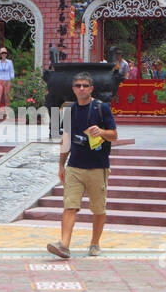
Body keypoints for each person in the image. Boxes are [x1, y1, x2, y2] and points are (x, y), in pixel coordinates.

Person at [47, 72, 117, 259]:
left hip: (97, 166)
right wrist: (61, 165)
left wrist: (101, 131)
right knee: (70, 206)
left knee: (98, 209)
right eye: (78, 86)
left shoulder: (102, 108)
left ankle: (95, 243)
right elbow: (66, 139)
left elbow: (114, 135)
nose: (81, 89)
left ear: (91, 88)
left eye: (85, 85)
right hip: (75, 166)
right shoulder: (71, 111)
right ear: (73, 89)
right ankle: (64, 245)